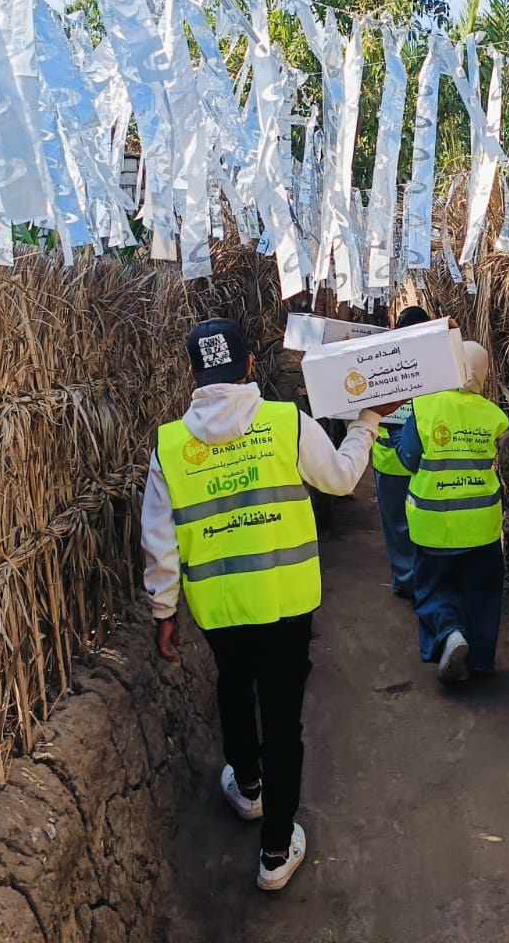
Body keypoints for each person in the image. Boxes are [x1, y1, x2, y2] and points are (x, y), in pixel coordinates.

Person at [140, 317, 395, 891]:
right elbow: (340, 479)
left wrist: (163, 610)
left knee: (233, 686)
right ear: (250, 366)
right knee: (282, 718)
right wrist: (368, 421)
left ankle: (248, 787)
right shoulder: (286, 423)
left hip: (221, 609)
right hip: (286, 602)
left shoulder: (170, 447)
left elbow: (159, 539)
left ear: (192, 373)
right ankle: (276, 851)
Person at [394, 341, 509, 683]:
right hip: (482, 524)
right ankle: (481, 661)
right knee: (482, 593)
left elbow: (409, 458)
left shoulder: (425, 405)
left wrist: (400, 439)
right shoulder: (494, 415)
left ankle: (449, 634)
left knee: (434, 588)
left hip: (435, 523)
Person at [371, 304, 433, 598]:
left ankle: (405, 580)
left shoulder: (382, 361)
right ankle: (418, 580)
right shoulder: (434, 364)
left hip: (390, 461)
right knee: (419, 522)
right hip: (422, 459)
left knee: (398, 525)